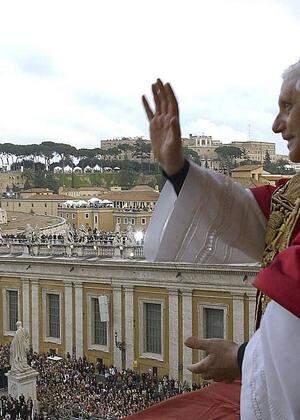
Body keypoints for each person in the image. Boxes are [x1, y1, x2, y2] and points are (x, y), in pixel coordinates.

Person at [134, 60, 300, 419]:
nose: (276, 125)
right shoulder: (294, 194)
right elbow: (245, 216)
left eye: (288, 106)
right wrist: (177, 168)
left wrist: (241, 358)